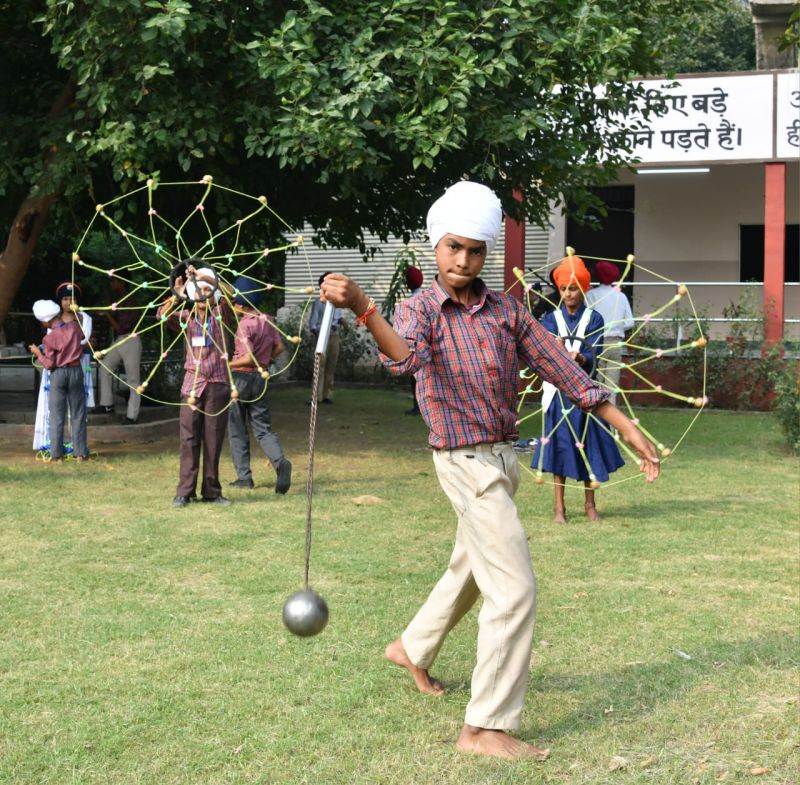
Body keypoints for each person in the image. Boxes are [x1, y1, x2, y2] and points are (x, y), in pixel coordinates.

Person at [318, 181, 660, 761]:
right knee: (515, 587)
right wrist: (363, 309)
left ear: (487, 253)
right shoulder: (420, 309)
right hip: (462, 460)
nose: (463, 261)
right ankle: (484, 726)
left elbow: (564, 370)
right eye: (453, 247)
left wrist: (624, 426)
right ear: (436, 246)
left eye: (476, 251)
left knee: (472, 568)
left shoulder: (508, 311)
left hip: (503, 457)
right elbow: (404, 358)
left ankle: (412, 647)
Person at [530, 256, 625, 524]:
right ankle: (559, 507)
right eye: (563, 289)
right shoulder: (550, 320)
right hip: (557, 395)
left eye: (573, 288)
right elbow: (544, 356)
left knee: (587, 446)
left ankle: (589, 504)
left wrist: (580, 358)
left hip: (586, 394)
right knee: (559, 448)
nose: (568, 294)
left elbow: (594, 353)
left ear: (582, 288)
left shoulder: (594, 319)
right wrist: (557, 353)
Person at [157, 263, 233, 508]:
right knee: (188, 439)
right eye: (197, 292)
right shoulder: (186, 319)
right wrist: (176, 294)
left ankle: (212, 490)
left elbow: (231, 293)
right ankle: (184, 491)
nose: (201, 296)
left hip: (218, 384)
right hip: (192, 385)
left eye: (205, 291)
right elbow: (161, 316)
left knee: (213, 439)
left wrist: (204, 277)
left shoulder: (223, 314)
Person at [227, 276, 292, 493]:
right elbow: (280, 347)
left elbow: (246, 358)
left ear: (242, 303)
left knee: (237, 429)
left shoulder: (244, 326)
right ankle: (280, 461)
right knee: (263, 429)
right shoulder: (267, 320)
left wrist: (226, 363)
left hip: (241, 378)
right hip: (260, 379)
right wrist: (265, 361)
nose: (233, 305)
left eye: (235, 301)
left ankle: (244, 477)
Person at [32, 281, 93, 453]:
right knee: (78, 413)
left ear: (45, 322)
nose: (68, 302)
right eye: (65, 299)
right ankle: (80, 453)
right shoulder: (75, 325)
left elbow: (50, 362)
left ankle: (56, 454)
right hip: (75, 370)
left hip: (59, 372)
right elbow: (82, 340)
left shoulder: (49, 338)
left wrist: (38, 353)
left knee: (57, 415)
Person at [584, 260, 634, 405]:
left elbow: (586, 318)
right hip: (615, 343)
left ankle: (597, 423)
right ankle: (611, 426)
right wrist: (617, 327)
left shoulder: (591, 295)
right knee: (612, 387)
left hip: (596, 343)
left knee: (596, 384)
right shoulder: (621, 296)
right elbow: (630, 322)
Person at [97, 277, 142, 424]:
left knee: (133, 380)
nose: (112, 284)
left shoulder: (131, 301)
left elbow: (121, 327)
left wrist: (107, 314)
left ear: (122, 282)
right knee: (105, 367)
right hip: (119, 340)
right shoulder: (119, 299)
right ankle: (107, 404)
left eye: (114, 281)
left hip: (130, 339)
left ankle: (132, 416)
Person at [308, 273, 346, 404]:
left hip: (334, 335)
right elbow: (313, 323)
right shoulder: (318, 302)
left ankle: (327, 396)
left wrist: (343, 322)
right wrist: (318, 336)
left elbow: (338, 317)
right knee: (320, 366)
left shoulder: (337, 302)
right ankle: (315, 396)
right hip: (322, 335)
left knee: (331, 365)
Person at [404, 266, 424, 416]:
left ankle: (417, 408)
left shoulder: (411, 302)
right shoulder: (427, 296)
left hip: (416, 345)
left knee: (415, 379)